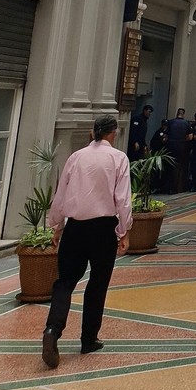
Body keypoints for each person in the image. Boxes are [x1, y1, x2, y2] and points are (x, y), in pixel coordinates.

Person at [41, 114, 132, 368]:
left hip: (75, 228)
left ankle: (52, 330)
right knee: (98, 283)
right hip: (103, 229)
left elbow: (61, 195)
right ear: (113, 133)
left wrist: (57, 226)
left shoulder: (76, 157)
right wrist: (124, 230)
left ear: (93, 133)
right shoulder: (118, 158)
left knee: (65, 282)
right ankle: (88, 339)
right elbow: (123, 199)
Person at [165, 108, 191, 194]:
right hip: (181, 148)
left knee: (170, 167)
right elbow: (190, 137)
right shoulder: (186, 124)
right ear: (183, 114)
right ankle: (178, 188)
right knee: (180, 168)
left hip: (170, 147)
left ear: (177, 113)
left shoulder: (170, 122)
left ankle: (169, 188)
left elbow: (165, 136)